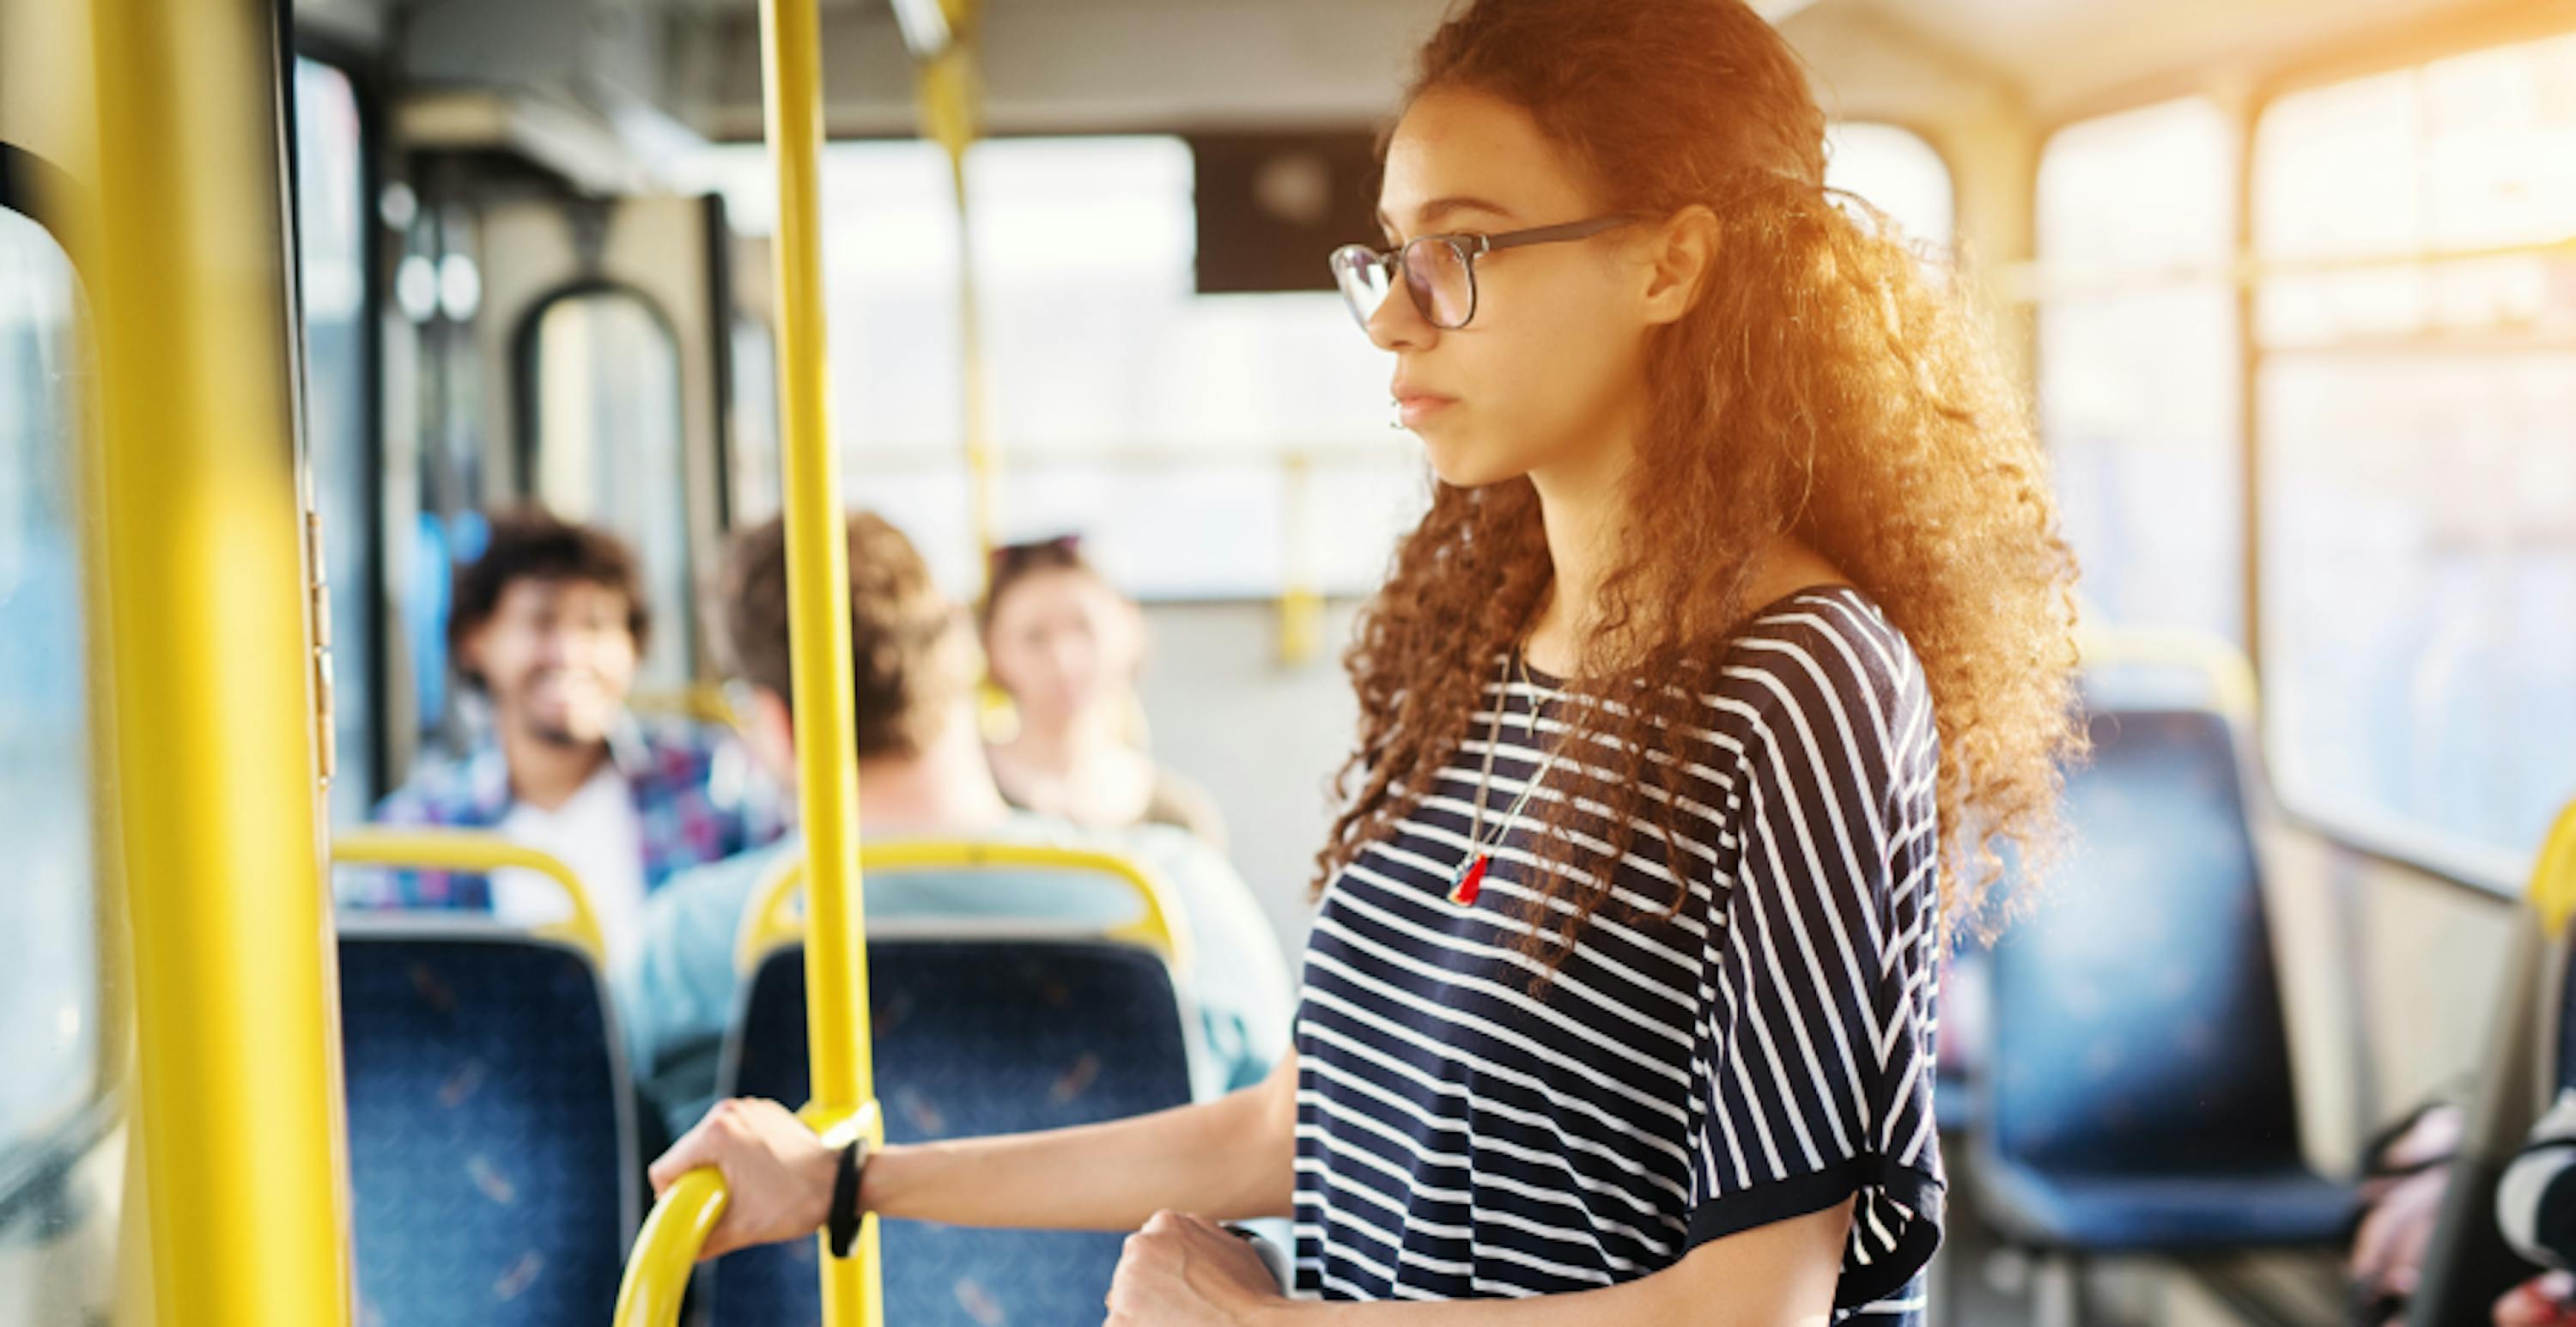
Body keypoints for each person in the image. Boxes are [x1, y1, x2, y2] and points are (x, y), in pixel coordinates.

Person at [649, 1, 2083, 1319]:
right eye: (1387, 255)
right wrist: (852, 1182)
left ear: (1672, 260)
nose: (1394, 314)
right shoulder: (1481, 657)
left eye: (1459, 250)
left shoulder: (1803, 683)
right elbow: (1303, 1121)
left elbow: (1751, 1305)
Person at [618, 511, 1291, 1142]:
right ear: (966, 654)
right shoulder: (1174, 896)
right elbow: (1283, 1167)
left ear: (776, 723)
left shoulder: (688, 944)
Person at [345, 508, 782, 966]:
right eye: (541, 622)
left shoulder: (717, 788)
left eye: (595, 626)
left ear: (633, 648)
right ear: (477, 640)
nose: (570, 653)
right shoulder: (417, 836)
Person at [981, 535, 1228, 849]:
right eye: (1034, 637)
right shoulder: (964, 794)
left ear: (1129, 627)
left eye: (1083, 627)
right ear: (993, 649)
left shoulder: (1178, 816)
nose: (1062, 658)